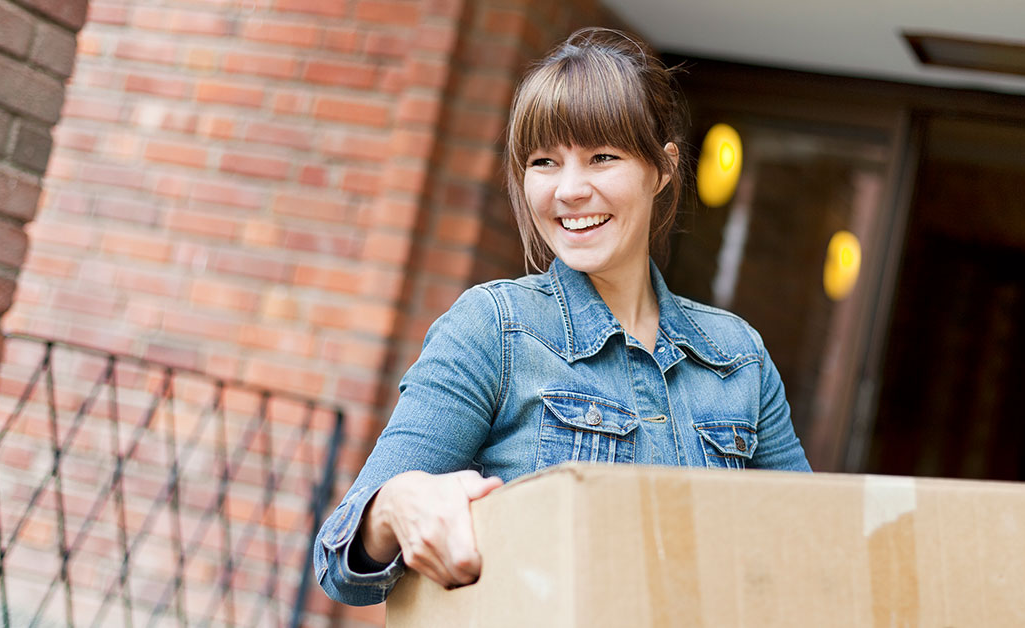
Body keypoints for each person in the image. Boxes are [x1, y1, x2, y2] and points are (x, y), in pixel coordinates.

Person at [313, 27, 810, 607]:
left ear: (663, 168)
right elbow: (339, 560)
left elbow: (810, 544)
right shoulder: (493, 328)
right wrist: (395, 505)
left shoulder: (739, 358)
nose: (570, 190)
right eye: (544, 162)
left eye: (602, 157)